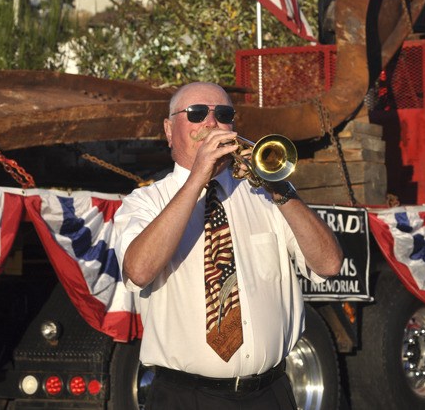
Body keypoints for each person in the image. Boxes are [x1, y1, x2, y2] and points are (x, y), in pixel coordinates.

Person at [113, 81, 343, 410]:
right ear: (169, 129)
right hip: (183, 397)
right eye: (195, 114)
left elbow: (329, 265)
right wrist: (198, 178)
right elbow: (138, 271)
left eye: (223, 114)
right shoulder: (146, 202)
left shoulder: (266, 192)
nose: (211, 123)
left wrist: (280, 190)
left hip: (270, 393)